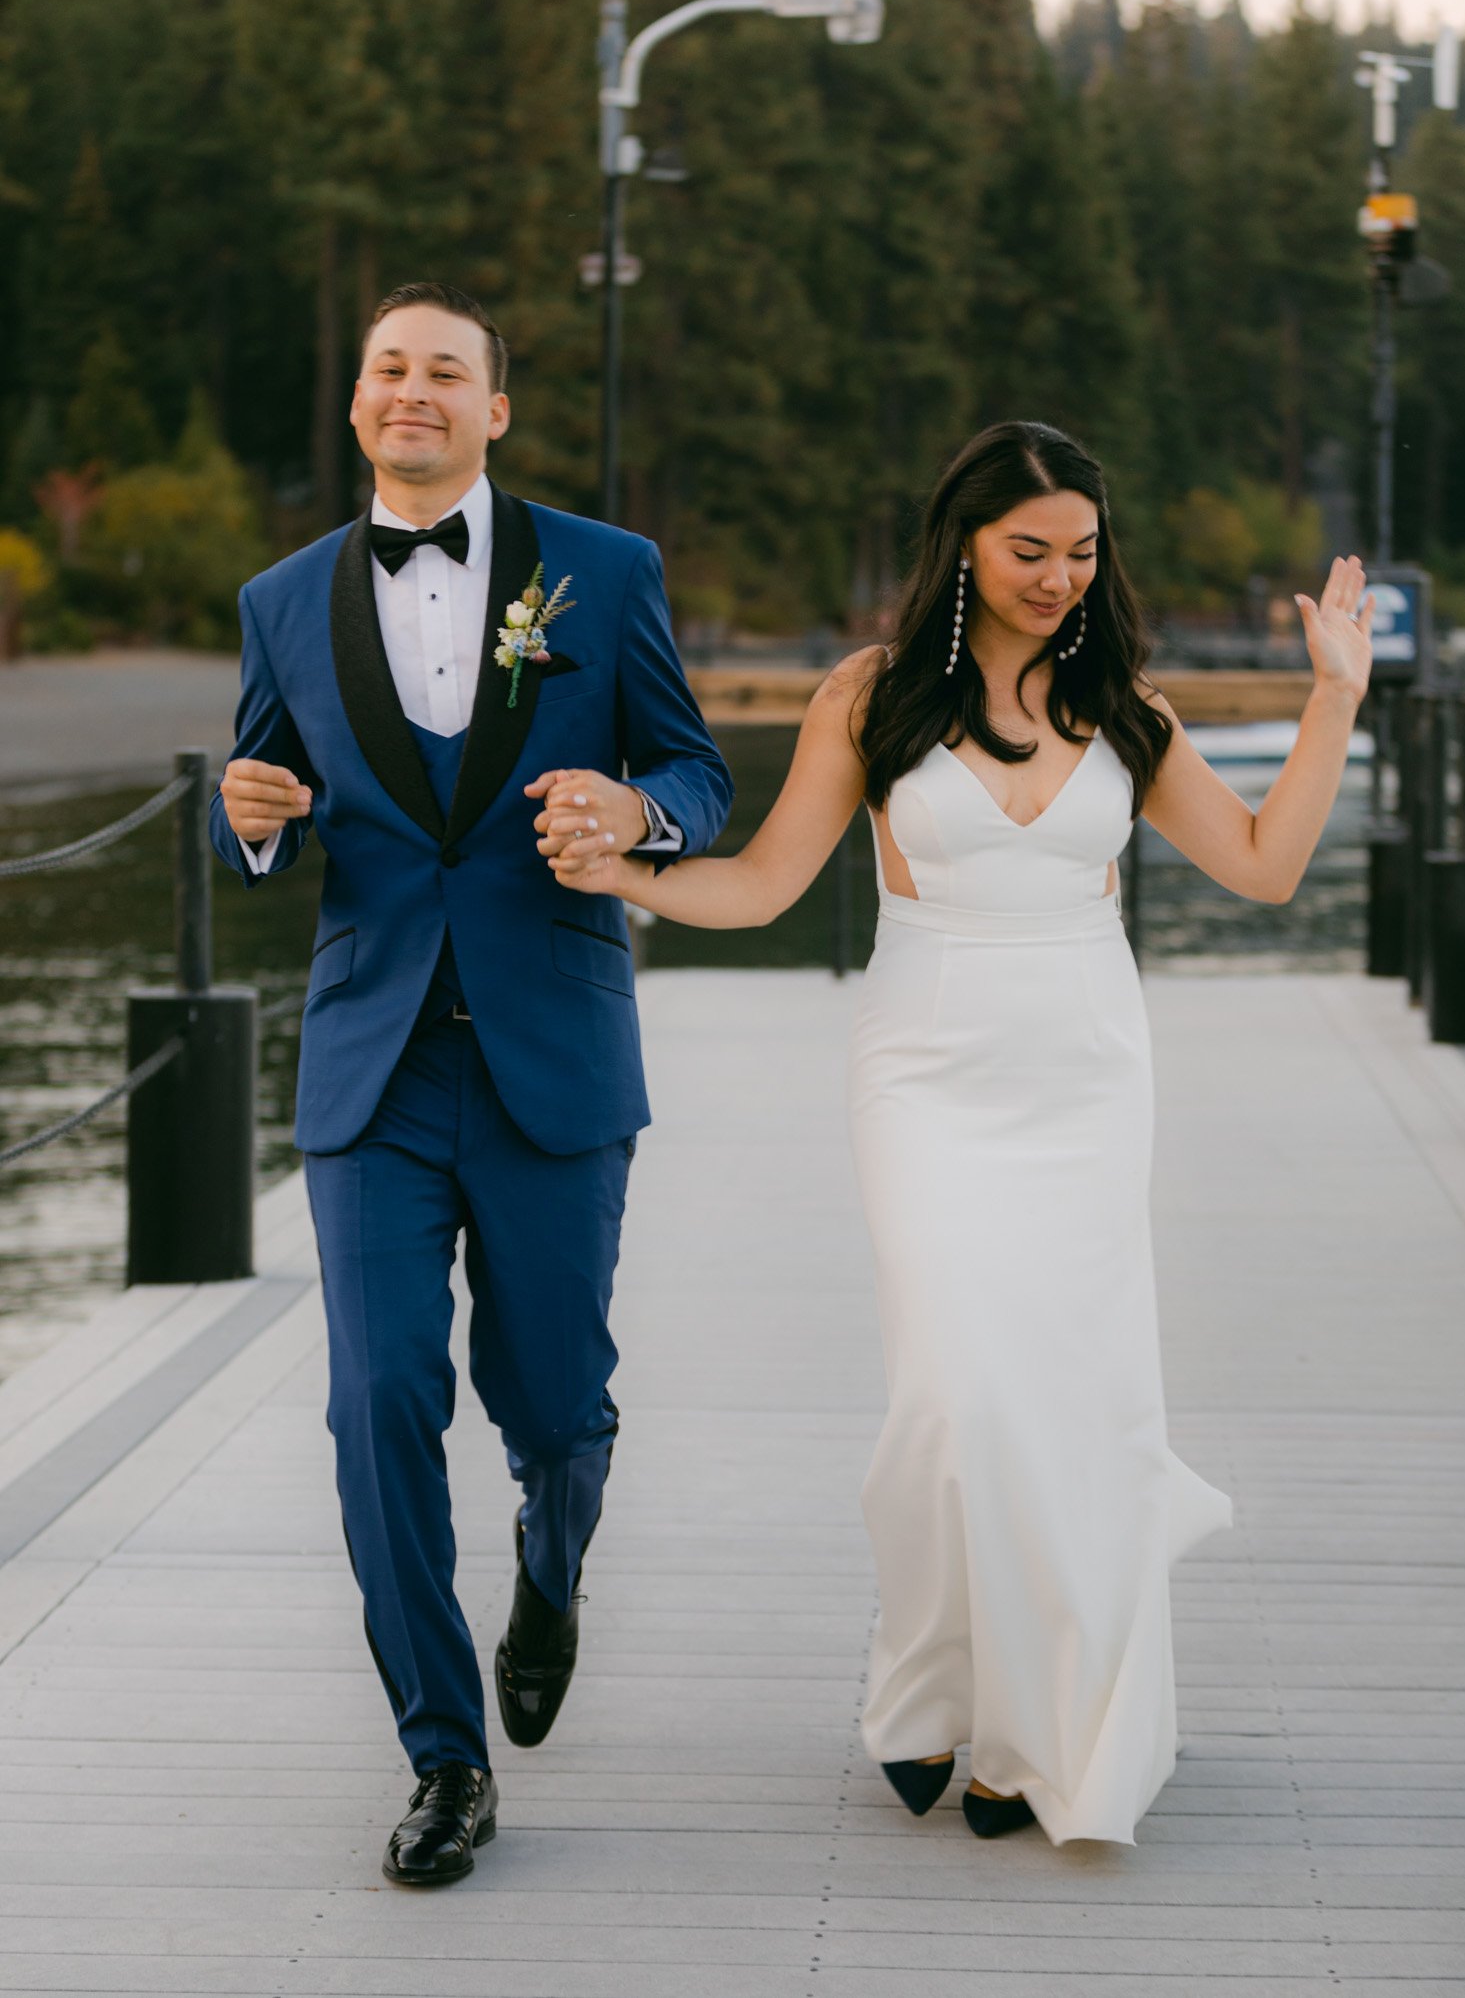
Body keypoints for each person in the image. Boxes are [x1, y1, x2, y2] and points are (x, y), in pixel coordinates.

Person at [544, 419, 1373, 1846]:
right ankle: (923, 1682)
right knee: (952, 1400)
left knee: (1066, 1401)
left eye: (1083, 552)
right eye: (1029, 549)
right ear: (968, 546)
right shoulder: (869, 698)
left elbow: (1265, 865)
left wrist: (1333, 702)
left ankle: (1020, 1727)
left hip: (1088, 1075)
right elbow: (761, 884)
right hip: (925, 1071)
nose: (1059, 577)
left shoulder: (1125, 706)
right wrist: (627, 871)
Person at [209, 281, 732, 1885]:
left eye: (449, 371)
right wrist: (247, 814)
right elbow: (267, 811)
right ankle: (445, 1756)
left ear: (495, 409)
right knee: (375, 1405)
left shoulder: (607, 569)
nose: (414, 392)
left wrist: (635, 816)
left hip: (552, 1052)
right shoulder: (280, 598)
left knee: (556, 1396)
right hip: (370, 1065)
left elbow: (698, 774)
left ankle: (553, 1550)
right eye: (390, 369)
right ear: (357, 404)